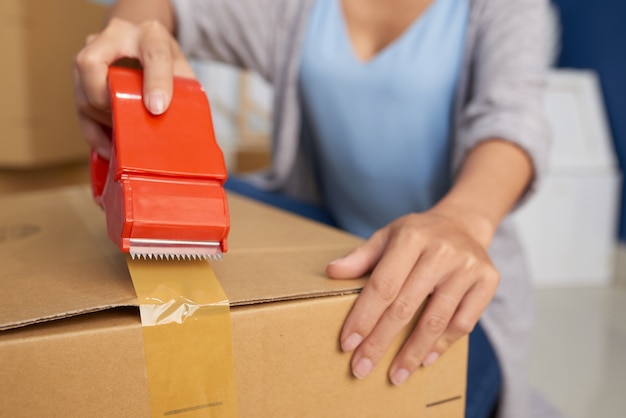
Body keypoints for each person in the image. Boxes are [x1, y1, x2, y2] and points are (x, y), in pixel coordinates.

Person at [73, 0, 554, 417]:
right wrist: (137, 38)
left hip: (457, 264)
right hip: (328, 236)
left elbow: (512, 121)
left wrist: (462, 219)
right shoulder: (299, 8)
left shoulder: (505, 9)